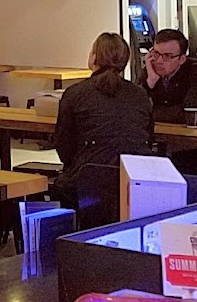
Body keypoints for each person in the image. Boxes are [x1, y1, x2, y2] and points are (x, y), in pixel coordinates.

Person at [53, 33, 154, 209]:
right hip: (137, 175)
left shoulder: (76, 93)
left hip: (90, 176)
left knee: (62, 185)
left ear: (94, 58)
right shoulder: (140, 94)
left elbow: (64, 145)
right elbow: (148, 136)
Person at [144, 28, 197, 125]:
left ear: (182, 59)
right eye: (156, 53)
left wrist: (149, 113)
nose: (159, 61)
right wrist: (150, 83)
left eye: (167, 56)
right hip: (161, 132)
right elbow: (133, 108)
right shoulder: (150, 68)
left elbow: (189, 113)